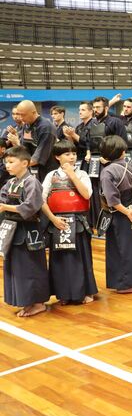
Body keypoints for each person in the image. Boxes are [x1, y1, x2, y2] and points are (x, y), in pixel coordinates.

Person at [41, 139, 98, 305]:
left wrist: (72, 174)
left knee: (82, 258)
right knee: (60, 260)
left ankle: (86, 291)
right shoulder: (51, 176)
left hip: (78, 221)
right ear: (57, 157)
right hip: (58, 222)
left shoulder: (82, 174)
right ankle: (63, 293)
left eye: (74, 153)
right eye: (67, 154)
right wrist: (53, 219)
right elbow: (41, 200)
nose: (72, 157)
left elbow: (86, 195)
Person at [0, 146, 50, 317]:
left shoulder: (32, 182)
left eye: (11, 162)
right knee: (16, 267)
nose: (7, 165)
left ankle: (38, 303)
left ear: (24, 163)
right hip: (12, 230)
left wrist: (6, 207)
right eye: (6, 162)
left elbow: (31, 206)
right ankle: (26, 301)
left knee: (31, 267)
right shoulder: (10, 183)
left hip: (29, 231)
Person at [98, 135, 132, 294]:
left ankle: (128, 284)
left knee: (121, 248)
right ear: (122, 152)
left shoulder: (107, 172)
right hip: (131, 208)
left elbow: (112, 200)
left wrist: (127, 212)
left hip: (119, 214)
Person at [62, 101, 99, 226]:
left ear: (91, 111)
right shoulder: (79, 127)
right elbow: (74, 145)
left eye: (83, 110)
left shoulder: (95, 124)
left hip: (91, 159)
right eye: (79, 110)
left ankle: (94, 220)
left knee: (91, 188)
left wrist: (73, 135)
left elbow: (90, 143)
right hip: (79, 159)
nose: (80, 112)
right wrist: (69, 136)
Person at [15, 100, 57, 181]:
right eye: (19, 114)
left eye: (23, 115)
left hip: (47, 170)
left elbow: (39, 157)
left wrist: (19, 166)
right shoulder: (26, 125)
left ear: (33, 112)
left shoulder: (46, 127)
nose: (20, 118)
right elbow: (24, 149)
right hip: (31, 167)